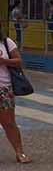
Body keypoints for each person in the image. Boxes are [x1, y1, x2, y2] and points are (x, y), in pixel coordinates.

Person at [0, 29, 30, 163]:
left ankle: (19, 152)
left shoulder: (6, 43)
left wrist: (3, 61)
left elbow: (18, 61)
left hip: (3, 89)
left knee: (9, 123)